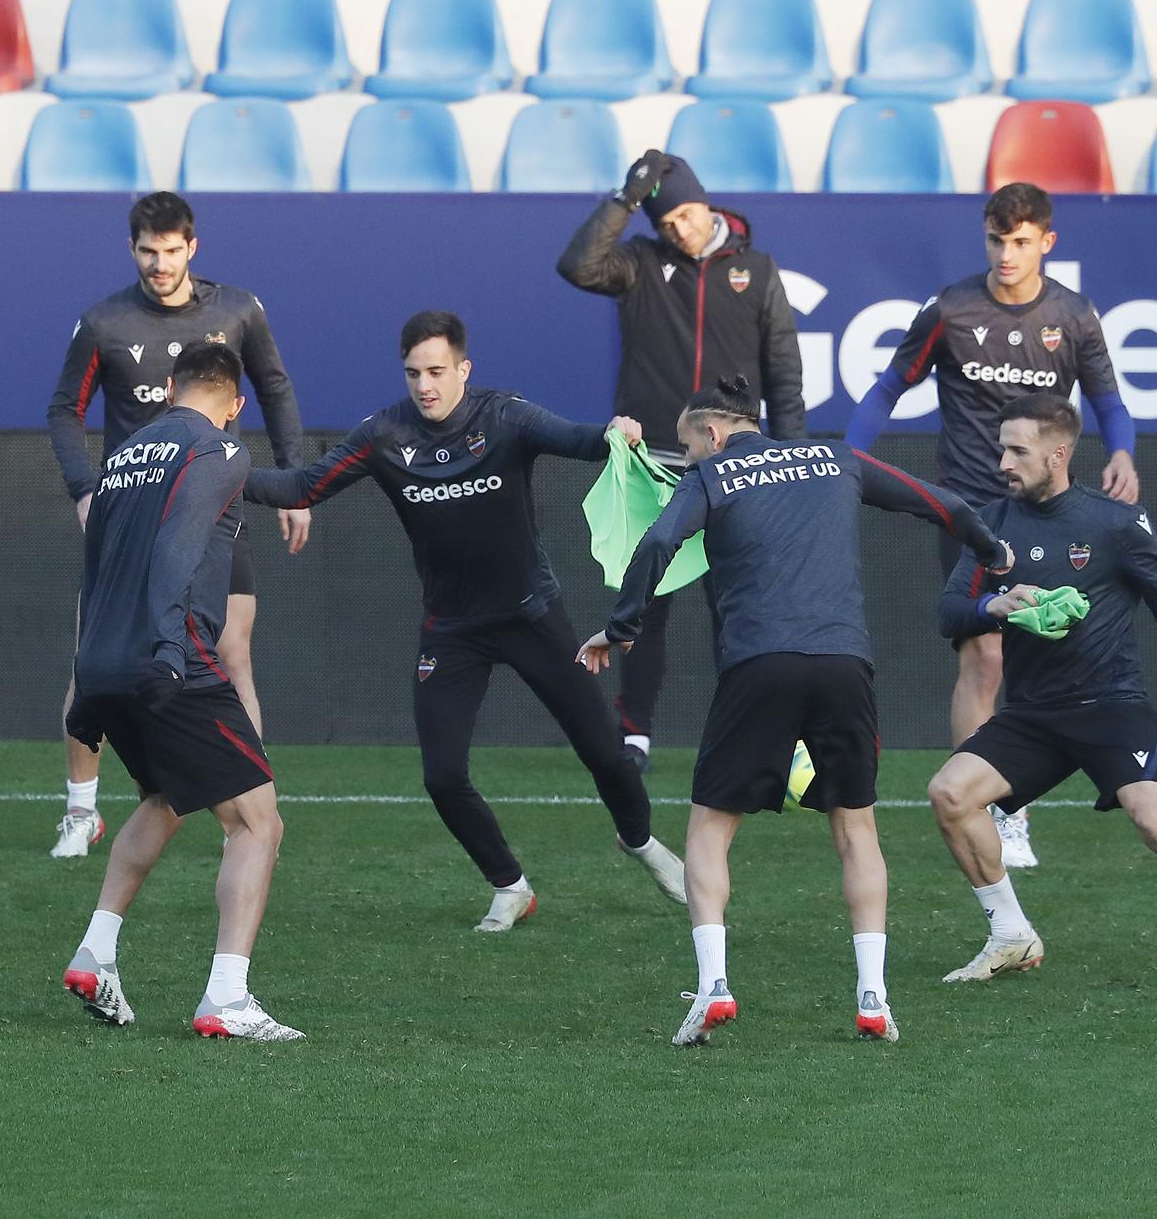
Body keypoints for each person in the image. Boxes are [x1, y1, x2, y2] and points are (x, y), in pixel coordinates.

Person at [577, 376, 1012, 1047]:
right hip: (844, 664)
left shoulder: (715, 472)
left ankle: (715, 986)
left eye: (691, 449)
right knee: (856, 831)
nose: (690, 460)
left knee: (708, 831)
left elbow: (660, 543)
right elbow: (940, 501)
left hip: (759, 665)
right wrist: (992, 551)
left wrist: (623, 625)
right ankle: (874, 998)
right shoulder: (836, 457)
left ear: (715, 436)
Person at [246, 311, 687, 932]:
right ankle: (510, 886)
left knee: (607, 756)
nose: (424, 385)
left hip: (530, 615)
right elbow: (303, 486)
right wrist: (225, 473)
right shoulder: (383, 434)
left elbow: (580, 440)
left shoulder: (503, 416)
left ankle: (641, 843)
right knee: (443, 775)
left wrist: (618, 431)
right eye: (412, 373)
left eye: (435, 371)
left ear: (463, 369)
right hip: (452, 630)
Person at [928, 394, 1157, 996]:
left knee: (1155, 822)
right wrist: (996, 604)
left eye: (1017, 450)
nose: (1003, 462)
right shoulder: (992, 526)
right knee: (950, 794)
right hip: (1034, 715)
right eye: (1001, 448)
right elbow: (949, 612)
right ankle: (1011, 933)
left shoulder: (1115, 523)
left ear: (1058, 454)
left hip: (1111, 705)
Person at [846, 182, 1143, 872]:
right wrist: (849, 455)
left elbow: (1108, 401)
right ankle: (996, 809)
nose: (1006, 254)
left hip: (1050, 512)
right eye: (995, 240)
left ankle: (1030, 786)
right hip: (972, 510)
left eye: (1020, 240)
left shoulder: (1072, 317)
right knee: (985, 657)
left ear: (1046, 241)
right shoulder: (951, 310)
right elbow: (890, 385)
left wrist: (1123, 450)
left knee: (1046, 660)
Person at [45, 191, 310, 859]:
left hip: (217, 504)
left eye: (170, 250)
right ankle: (81, 813)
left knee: (232, 653)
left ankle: (250, 804)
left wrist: (295, 484)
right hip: (130, 512)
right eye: (146, 250)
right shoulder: (103, 321)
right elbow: (63, 410)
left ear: (193, 248)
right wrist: (84, 489)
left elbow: (275, 390)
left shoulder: (238, 310)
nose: (159, 263)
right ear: (131, 249)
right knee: (94, 652)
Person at [60, 343, 302, 1042]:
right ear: (235, 406)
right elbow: (176, 546)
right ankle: (226, 998)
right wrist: (170, 651)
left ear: (168, 389)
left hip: (105, 662)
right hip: (174, 662)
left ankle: (95, 952)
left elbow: (96, 569)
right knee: (258, 821)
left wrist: (86, 680)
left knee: (166, 800)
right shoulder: (220, 452)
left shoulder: (123, 458)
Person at [557, 150, 806, 772]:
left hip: (735, 469)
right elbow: (577, 265)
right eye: (666, 221)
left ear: (708, 205)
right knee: (643, 601)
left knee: (738, 607)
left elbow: (784, 375)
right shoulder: (640, 264)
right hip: (655, 466)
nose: (679, 230)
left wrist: (791, 461)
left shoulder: (757, 270)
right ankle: (634, 732)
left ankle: (751, 728)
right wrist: (627, 198)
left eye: (686, 216)